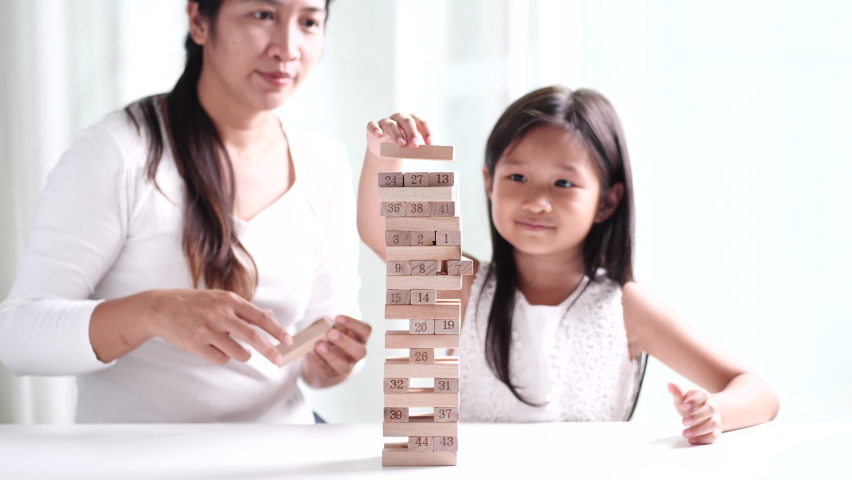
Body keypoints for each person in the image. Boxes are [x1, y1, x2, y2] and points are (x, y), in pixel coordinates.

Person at [0, 0, 371, 423]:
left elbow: (326, 336)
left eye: (308, 22)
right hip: (142, 460)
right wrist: (152, 312)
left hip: (281, 449)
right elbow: (17, 336)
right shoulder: (120, 152)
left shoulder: (324, 163)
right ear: (199, 19)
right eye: (263, 15)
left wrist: (331, 364)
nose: (287, 47)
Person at [357, 86, 779, 444]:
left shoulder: (627, 307)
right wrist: (384, 156)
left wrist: (716, 412)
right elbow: (383, 234)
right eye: (517, 178)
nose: (536, 201)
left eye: (563, 183)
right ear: (488, 183)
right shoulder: (464, 285)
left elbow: (759, 392)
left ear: (607, 201)